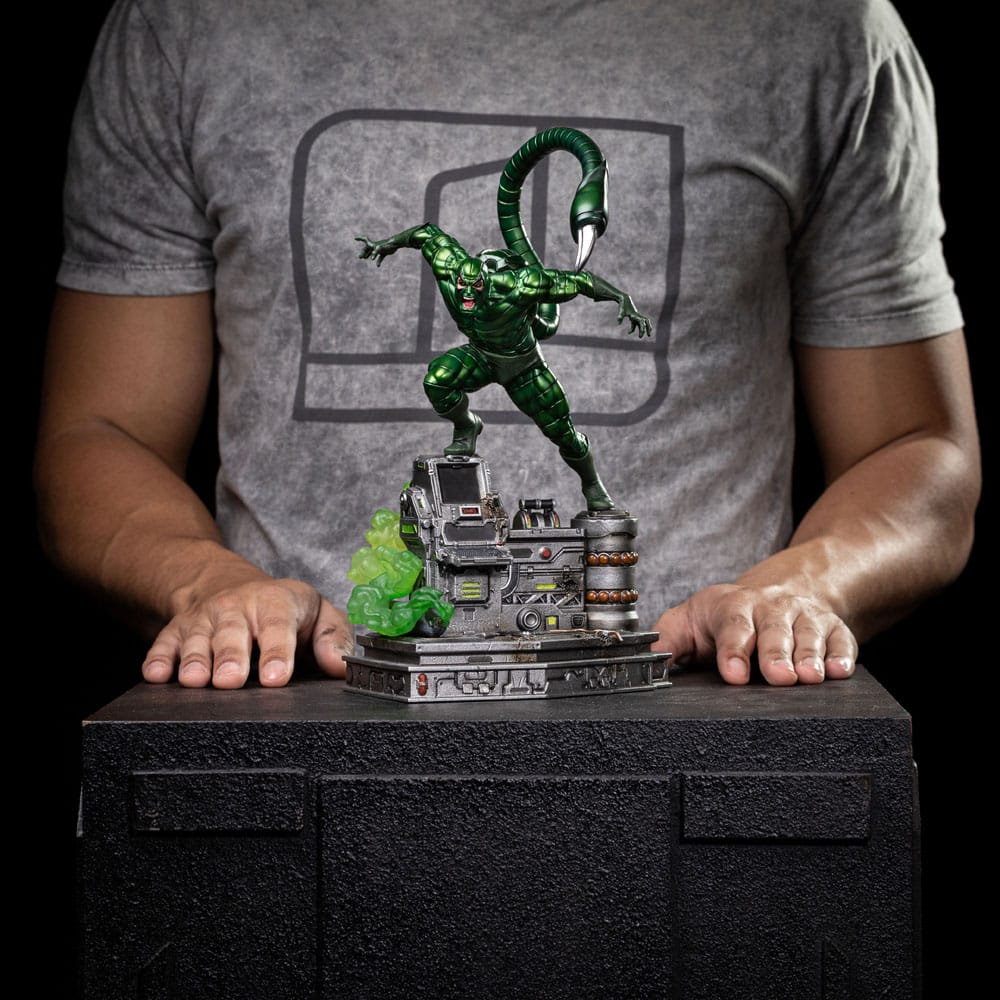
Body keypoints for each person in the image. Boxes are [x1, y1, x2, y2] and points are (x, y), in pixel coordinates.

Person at [34, 0, 979, 691]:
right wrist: (212, 587)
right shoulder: (187, 23)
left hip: (688, 716)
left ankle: (590, 494)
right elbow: (99, 432)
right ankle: (461, 452)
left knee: (565, 438)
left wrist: (794, 594)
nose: (485, 278)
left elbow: (918, 447)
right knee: (448, 389)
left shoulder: (821, 26)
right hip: (314, 721)